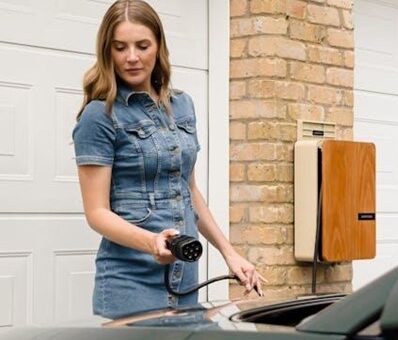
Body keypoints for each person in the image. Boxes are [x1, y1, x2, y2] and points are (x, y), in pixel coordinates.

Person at [72, 0, 264, 319]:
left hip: (185, 278)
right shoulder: (99, 116)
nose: (132, 57)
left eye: (142, 45)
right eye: (120, 47)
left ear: (158, 46)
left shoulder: (182, 106)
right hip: (130, 282)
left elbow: (189, 194)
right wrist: (151, 242)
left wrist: (231, 255)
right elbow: (96, 213)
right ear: (108, 51)